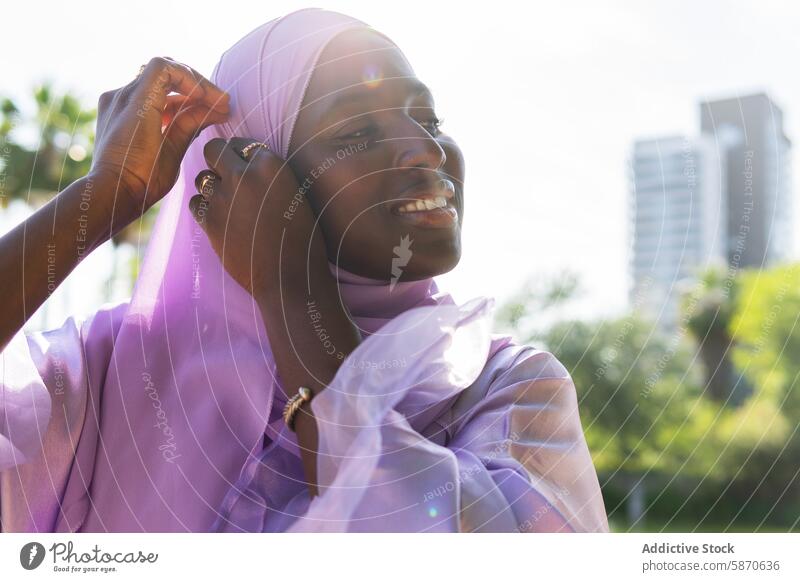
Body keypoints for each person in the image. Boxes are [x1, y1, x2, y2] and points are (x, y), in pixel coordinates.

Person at [0, 8, 608, 532]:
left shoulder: (502, 390)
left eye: (431, 120)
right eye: (358, 130)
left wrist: (292, 295)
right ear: (246, 169)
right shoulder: (104, 374)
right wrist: (104, 195)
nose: (427, 148)